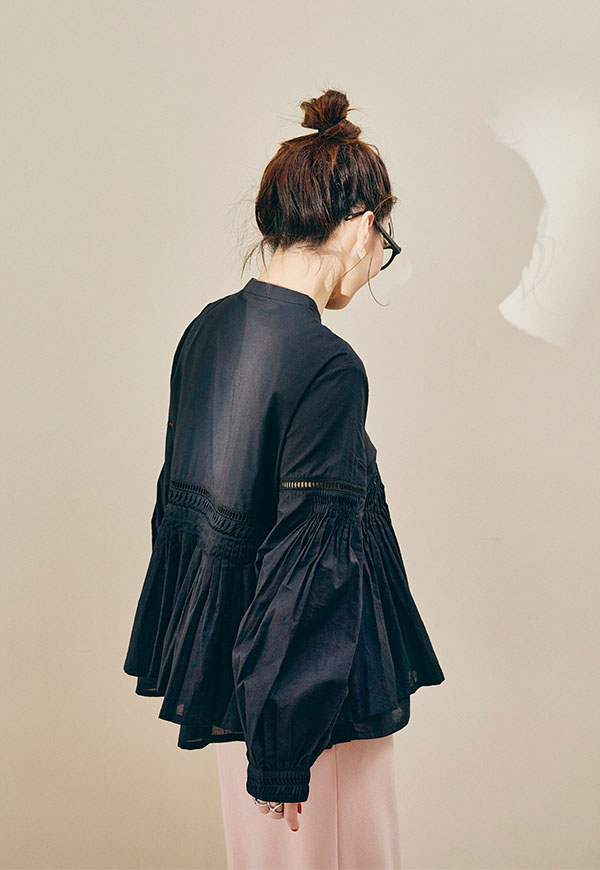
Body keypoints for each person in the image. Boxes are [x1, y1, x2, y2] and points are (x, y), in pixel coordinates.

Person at [123, 87, 445, 869]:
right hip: (313, 705)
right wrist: (283, 752)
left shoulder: (207, 330)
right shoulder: (328, 364)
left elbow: (182, 521)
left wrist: (259, 728)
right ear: (364, 225)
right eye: (385, 245)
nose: (375, 264)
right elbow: (310, 564)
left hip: (239, 685)